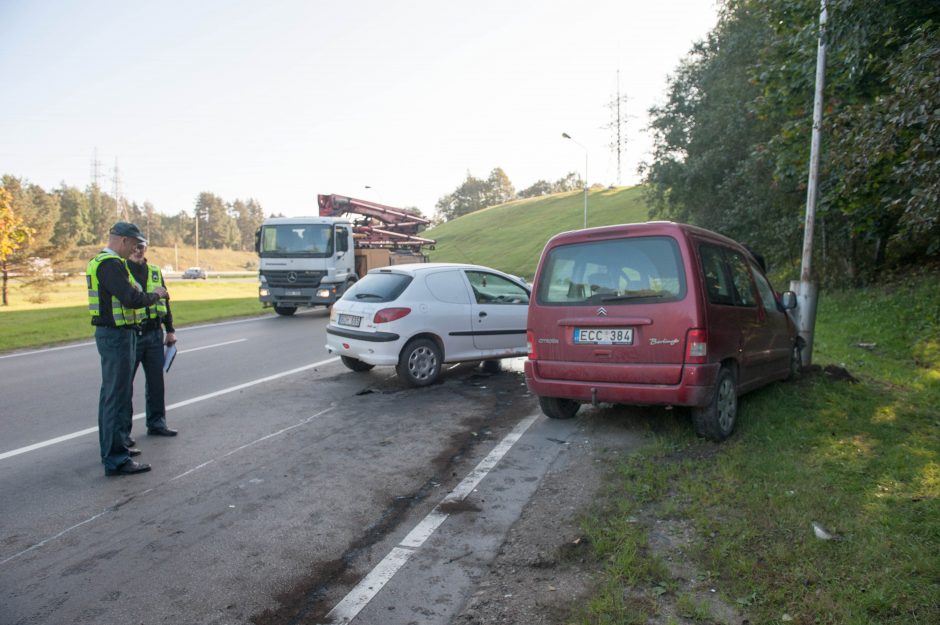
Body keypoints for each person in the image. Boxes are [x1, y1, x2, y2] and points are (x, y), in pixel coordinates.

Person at [87, 222, 168, 477]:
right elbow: (132, 299)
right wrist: (155, 294)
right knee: (116, 397)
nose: (135, 249)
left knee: (112, 396)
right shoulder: (110, 264)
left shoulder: (106, 262)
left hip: (118, 335)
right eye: (134, 244)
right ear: (123, 241)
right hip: (116, 336)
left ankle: (113, 448)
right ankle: (116, 459)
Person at [126, 242, 179, 442]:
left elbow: (165, 301)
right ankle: (124, 433)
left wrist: (170, 330)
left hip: (155, 334)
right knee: (126, 385)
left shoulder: (155, 271)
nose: (138, 250)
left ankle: (157, 423)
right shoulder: (123, 271)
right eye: (135, 246)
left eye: (142, 247)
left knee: (156, 382)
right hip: (133, 334)